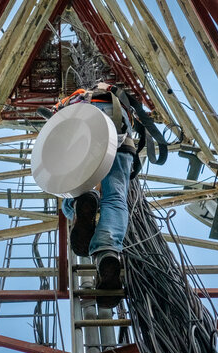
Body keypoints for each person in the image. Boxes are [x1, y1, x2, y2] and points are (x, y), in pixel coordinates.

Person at [59, 83, 135, 308]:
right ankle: (106, 252)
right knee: (115, 197)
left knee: (73, 189)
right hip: (118, 131)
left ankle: (80, 202)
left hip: (80, 130)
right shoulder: (115, 95)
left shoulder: (73, 100)